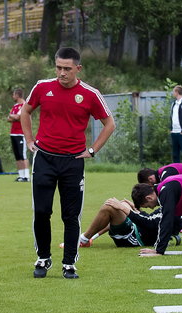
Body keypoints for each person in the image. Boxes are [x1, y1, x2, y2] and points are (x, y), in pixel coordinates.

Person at [20, 47, 115, 279]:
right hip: (44, 159)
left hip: (73, 162)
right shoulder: (42, 87)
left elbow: (109, 123)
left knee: (70, 215)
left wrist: (92, 150)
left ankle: (69, 263)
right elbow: (26, 111)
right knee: (41, 211)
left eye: (67, 69)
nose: (62, 73)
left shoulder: (90, 94)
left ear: (77, 69)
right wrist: (30, 140)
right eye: (58, 68)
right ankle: (43, 258)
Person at [62, 189, 162, 249]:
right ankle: (90, 238)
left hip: (134, 238)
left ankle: (83, 240)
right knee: (123, 204)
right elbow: (151, 218)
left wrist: (126, 209)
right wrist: (137, 211)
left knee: (109, 207)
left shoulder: (171, 208)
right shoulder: (169, 205)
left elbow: (150, 224)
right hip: (136, 228)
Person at [7, 88, 31, 182]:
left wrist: (13, 116)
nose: (13, 97)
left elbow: (17, 117)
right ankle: (21, 175)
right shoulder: (15, 105)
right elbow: (9, 118)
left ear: (17, 95)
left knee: (23, 155)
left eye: (13, 95)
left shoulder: (24, 105)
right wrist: (13, 117)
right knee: (17, 155)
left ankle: (26, 176)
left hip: (21, 134)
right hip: (13, 133)